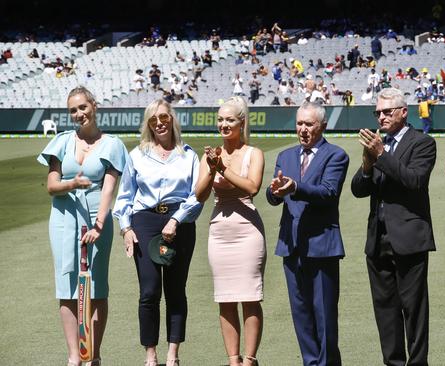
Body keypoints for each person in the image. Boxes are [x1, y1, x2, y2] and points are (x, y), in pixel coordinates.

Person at [38, 86, 128, 366]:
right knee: (66, 287)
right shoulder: (62, 142)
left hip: (95, 221)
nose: (78, 114)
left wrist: (99, 225)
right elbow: (52, 186)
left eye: (83, 107)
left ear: (94, 106)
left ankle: (93, 355)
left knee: (97, 288)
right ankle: (74, 357)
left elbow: (108, 190)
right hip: (63, 221)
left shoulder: (112, 144)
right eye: (73, 110)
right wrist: (72, 184)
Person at [113, 100, 203, 366]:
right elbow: (125, 196)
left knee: (176, 290)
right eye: (153, 120)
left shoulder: (189, 155)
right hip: (145, 221)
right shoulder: (137, 155)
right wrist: (126, 228)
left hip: (181, 222)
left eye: (163, 117)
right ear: (148, 124)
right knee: (149, 291)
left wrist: (176, 220)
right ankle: (150, 355)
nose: (159, 123)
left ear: (172, 119)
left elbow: (196, 196)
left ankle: (173, 354)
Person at [351, 88, 437, 366]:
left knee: (414, 309)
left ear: (403, 112)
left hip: (409, 238)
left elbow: (414, 180)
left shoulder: (422, 142)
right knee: (386, 311)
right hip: (378, 239)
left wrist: (381, 154)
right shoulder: (378, 143)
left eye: (387, 111)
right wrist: (367, 163)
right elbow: (358, 190)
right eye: (377, 112)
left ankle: (418, 363)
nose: (381, 116)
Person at [266, 102, 350, 366]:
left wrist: (295, 187)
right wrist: (275, 191)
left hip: (321, 246)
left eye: (309, 124)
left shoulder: (336, 155)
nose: (303, 130)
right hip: (291, 247)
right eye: (299, 124)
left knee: (324, 316)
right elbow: (273, 196)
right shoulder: (286, 156)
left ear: (322, 126)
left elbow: (328, 193)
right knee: (301, 315)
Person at [194, 97, 266, 366]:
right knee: (225, 298)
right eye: (220, 120)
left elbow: (252, 187)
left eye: (230, 120)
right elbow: (199, 195)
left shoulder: (253, 153)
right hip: (219, 232)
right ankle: (232, 360)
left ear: (242, 123)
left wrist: (222, 167)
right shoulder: (210, 154)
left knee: (249, 296)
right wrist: (212, 170)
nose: (224, 125)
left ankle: (249, 359)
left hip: (247, 229)